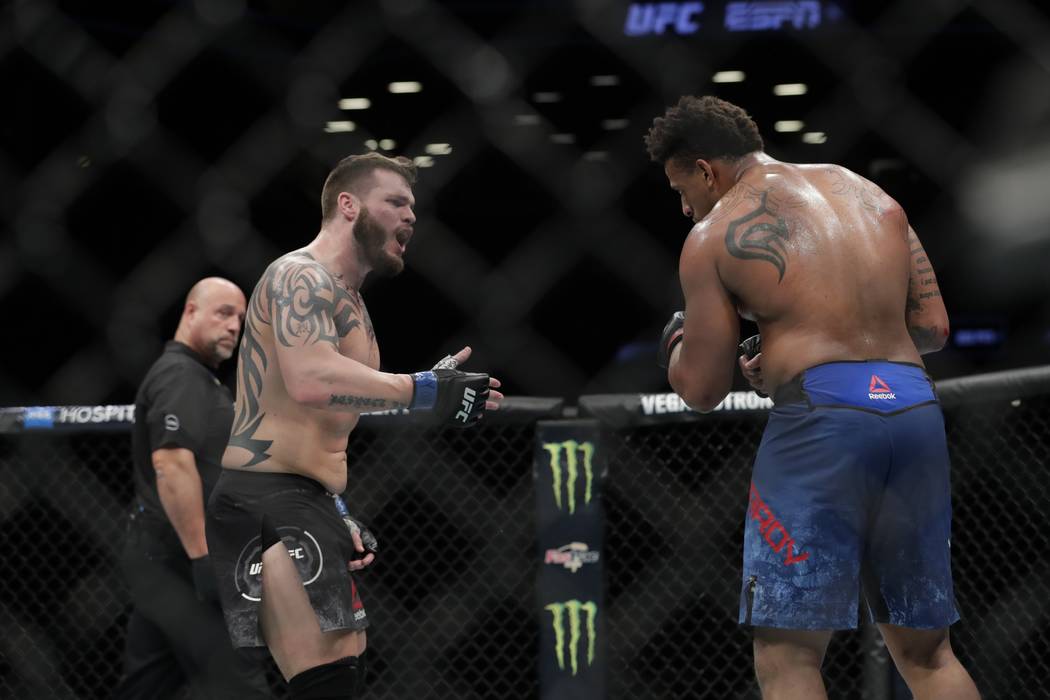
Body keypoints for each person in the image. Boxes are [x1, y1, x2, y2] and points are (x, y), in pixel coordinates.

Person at [647, 96, 980, 699]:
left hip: (822, 423)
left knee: (787, 657)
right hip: (912, 407)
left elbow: (701, 388)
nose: (684, 206)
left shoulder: (712, 235)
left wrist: (676, 343)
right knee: (928, 653)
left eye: (680, 189)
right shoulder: (871, 196)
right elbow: (932, 328)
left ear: (704, 170)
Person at [205, 152, 503, 700]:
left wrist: (428, 395)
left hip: (304, 495)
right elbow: (311, 379)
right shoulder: (299, 276)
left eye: (412, 207)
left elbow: (338, 407)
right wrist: (421, 389)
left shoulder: (353, 303)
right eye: (395, 202)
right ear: (348, 205)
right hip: (265, 497)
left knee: (343, 669)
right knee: (328, 678)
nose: (410, 216)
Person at [114, 277, 271, 699]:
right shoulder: (181, 376)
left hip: (166, 560)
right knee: (242, 682)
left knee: (147, 684)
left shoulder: (198, 379)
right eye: (224, 313)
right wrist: (203, 558)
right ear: (190, 312)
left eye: (240, 318)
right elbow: (171, 463)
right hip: (186, 560)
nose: (234, 326)